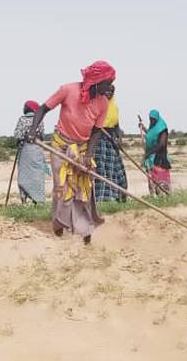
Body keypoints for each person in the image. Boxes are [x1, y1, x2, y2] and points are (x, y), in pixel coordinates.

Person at [28, 60, 116, 245]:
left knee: (83, 189)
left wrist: (89, 156)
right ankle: (59, 227)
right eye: (107, 82)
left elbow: (97, 131)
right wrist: (33, 131)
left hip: (83, 149)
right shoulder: (68, 90)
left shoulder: (103, 103)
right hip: (61, 146)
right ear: (96, 80)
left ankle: (85, 232)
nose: (110, 87)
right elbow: (43, 109)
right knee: (63, 187)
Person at [92, 91, 127, 202]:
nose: (109, 92)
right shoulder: (95, 105)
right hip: (98, 140)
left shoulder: (114, 107)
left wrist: (119, 139)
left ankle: (118, 196)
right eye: (107, 90)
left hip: (111, 141)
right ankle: (102, 198)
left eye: (112, 90)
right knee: (101, 169)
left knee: (116, 169)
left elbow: (117, 126)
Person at [13, 101, 47, 204]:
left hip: (25, 151)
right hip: (37, 150)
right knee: (37, 176)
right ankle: (37, 201)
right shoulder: (40, 120)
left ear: (28, 108)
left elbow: (17, 135)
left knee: (24, 175)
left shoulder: (22, 120)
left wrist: (20, 141)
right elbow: (42, 135)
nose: (23, 108)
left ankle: (24, 200)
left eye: (24, 107)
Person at [141, 110, 172, 195]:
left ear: (157, 119)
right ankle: (153, 193)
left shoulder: (162, 128)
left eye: (154, 119)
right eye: (150, 119)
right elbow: (152, 136)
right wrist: (143, 129)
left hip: (159, 157)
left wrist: (149, 153)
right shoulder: (153, 127)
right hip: (151, 156)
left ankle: (164, 193)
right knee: (152, 178)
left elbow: (161, 144)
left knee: (160, 179)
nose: (152, 121)